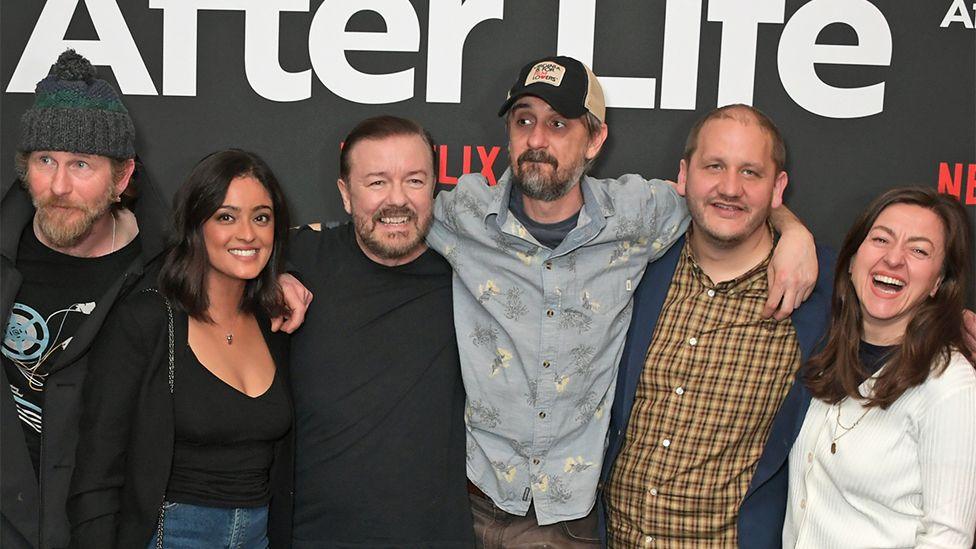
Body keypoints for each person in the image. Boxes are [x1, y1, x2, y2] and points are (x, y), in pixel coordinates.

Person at [425, 56, 818, 545]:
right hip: (465, 500)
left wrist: (793, 231)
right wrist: (295, 270)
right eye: (523, 121)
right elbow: (381, 218)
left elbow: (728, 202)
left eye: (558, 124)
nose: (537, 140)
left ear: (595, 140)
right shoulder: (462, 213)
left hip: (567, 517)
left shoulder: (639, 215)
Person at [0, 50, 311, 549]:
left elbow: (231, 250)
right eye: (45, 161)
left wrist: (282, 276)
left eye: (81, 163)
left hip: (82, 513)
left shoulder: (156, 274)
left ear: (122, 178)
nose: (59, 185)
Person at [601, 105, 834, 548]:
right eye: (715, 167)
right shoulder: (637, 263)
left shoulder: (818, 288)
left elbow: (902, 299)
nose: (730, 188)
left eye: (751, 172)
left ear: (778, 187)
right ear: (684, 175)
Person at [67, 149, 294, 548]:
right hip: (172, 534)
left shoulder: (273, 321)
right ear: (195, 224)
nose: (247, 234)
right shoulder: (146, 320)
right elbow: (96, 472)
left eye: (262, 217)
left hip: (259, 534)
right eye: (226, 217)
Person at [287, 116, 475, 547]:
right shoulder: (300, 260)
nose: (397, 200)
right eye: (376, 183)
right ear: (345, 195)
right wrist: (272, 280)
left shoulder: (470, 273)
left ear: (433, 188)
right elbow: (197, 261)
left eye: (414, 180)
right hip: (312, 536)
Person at [784, 187, 976, 547]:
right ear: (853, 259)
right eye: (881, 239)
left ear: (938, 282)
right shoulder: (829, 351)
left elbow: (948, 539)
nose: (894, 259)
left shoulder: (950, 385)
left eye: (919, 250)